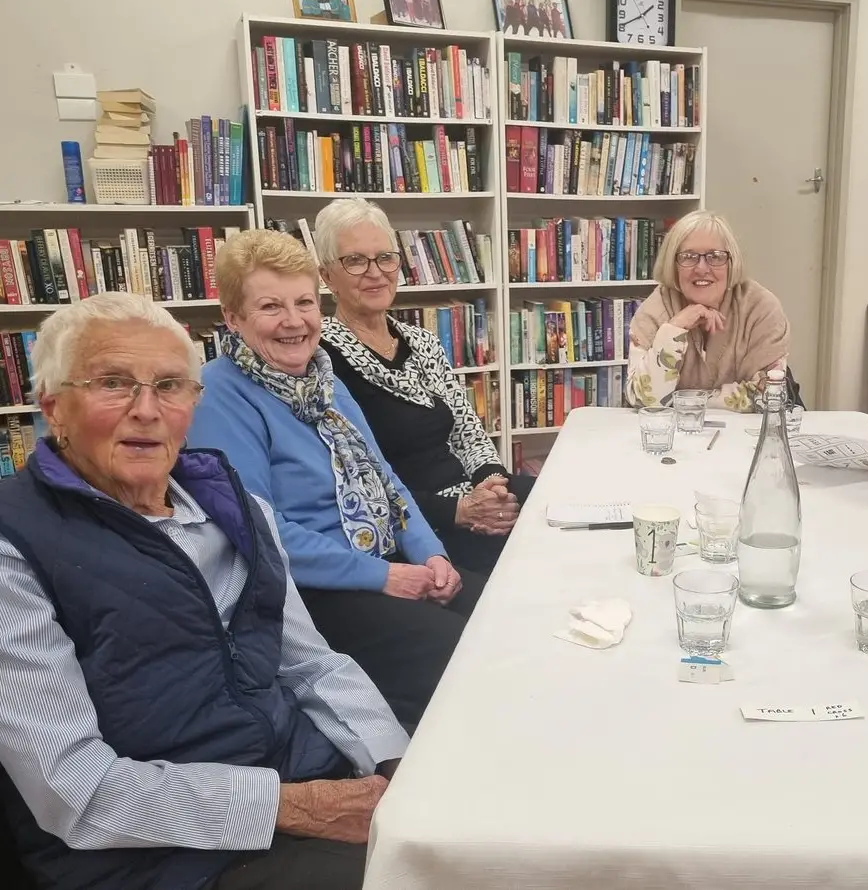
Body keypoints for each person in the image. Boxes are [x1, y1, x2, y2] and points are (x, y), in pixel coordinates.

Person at [0, 293, 405, 890]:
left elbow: (311, 664)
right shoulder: (16, 544)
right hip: (165, 856)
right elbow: (75, 790)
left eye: (170, 385)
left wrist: (396, 766)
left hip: (299, 783)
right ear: (53, 408)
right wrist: (291, 807)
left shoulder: (236, 506)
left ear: (193, 403)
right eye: (113, 383)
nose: (147, 410)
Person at [187, 229, 465, 728]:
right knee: (470, 662)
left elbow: (385, 480)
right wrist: (386, 576)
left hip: (385, 562)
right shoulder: (218, 393)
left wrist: (432, 554)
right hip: (312, 595)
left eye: (305, 303)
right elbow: (257, 528)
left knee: (505, 620)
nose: (294, 322)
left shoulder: (325, 378)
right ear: (233, 318)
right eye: (271, 307)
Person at [315, 197, 531, 576]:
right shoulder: (321, 358)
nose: (375, 272)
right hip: (416, 523)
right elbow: (354, 481)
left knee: (564, 510)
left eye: (385, 257)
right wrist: (459, 511)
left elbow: (468, 430)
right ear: (326, 275)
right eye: (354, 260)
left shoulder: (422, 342)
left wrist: (492, 484)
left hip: (473, 495)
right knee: (532, 574)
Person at [626, 209, 791, 411]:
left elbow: (769, 394)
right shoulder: (654, 308)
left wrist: (686, 402)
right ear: (673, 264)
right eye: (689, 256)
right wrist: (673, 329)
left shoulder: (762, 308)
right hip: (674, 435)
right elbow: (644, 401)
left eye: (715, 256)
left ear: (732, 263)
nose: (702, 268)